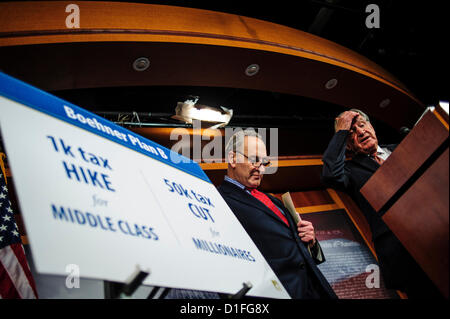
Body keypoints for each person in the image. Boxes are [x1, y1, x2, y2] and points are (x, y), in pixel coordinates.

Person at [321, 109, 442, 298]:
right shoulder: (351, 171)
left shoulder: (401, 149)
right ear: (347, 146)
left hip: (438, 234)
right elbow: (330, 175)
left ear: (371, 127)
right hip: (403, 256)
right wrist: (340, 132)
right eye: (351, 132)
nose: (360, 132)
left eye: (362, 125)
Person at [218, 129, 337, 299]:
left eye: (264, 163)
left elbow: (292, 243)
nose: (261, 169)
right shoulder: (219, 200)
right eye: (254, 160)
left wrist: (311, 242)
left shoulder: (272, 199)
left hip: (315, 290)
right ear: (232, 159)